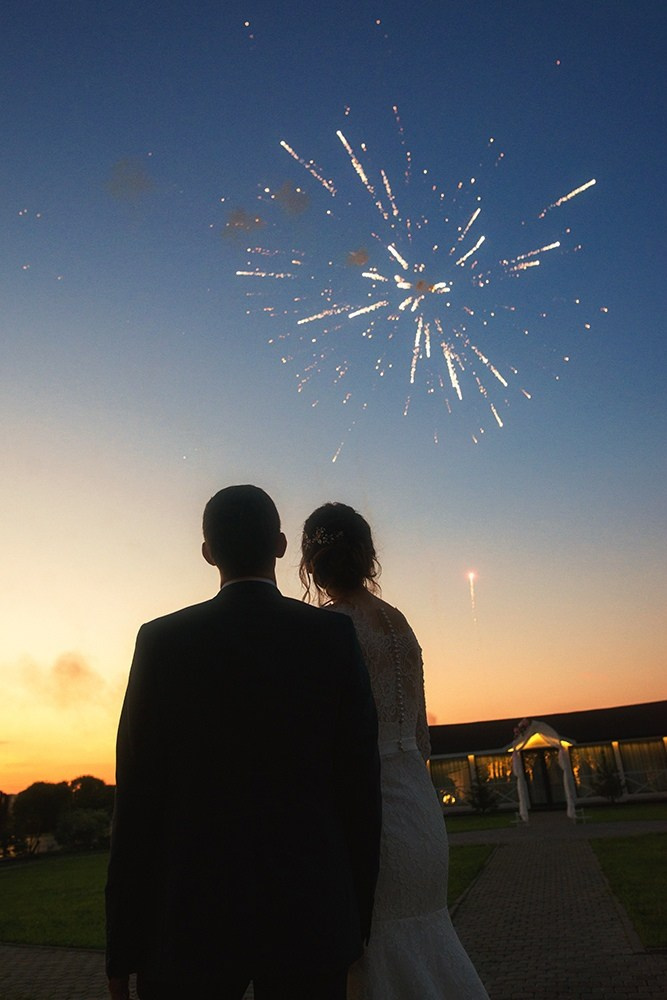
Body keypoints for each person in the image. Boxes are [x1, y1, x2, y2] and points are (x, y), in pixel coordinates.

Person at [106, 485, 382, 1000]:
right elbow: (360, 789)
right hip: (312, 918)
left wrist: (122, 950)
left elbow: (137, 801)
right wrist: (354, 921)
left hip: (189, 926)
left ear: (208, 553)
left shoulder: (161, 643)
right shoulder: (331, 638)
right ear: (280, 545)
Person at [300, 502, 490, 1000]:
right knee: (423, 934)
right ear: (368, 556)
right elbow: (421, 739)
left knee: (373, 946)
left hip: (368, 811)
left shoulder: (327, 628)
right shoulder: (397, 621)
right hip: (419, 807)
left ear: (311, 562)